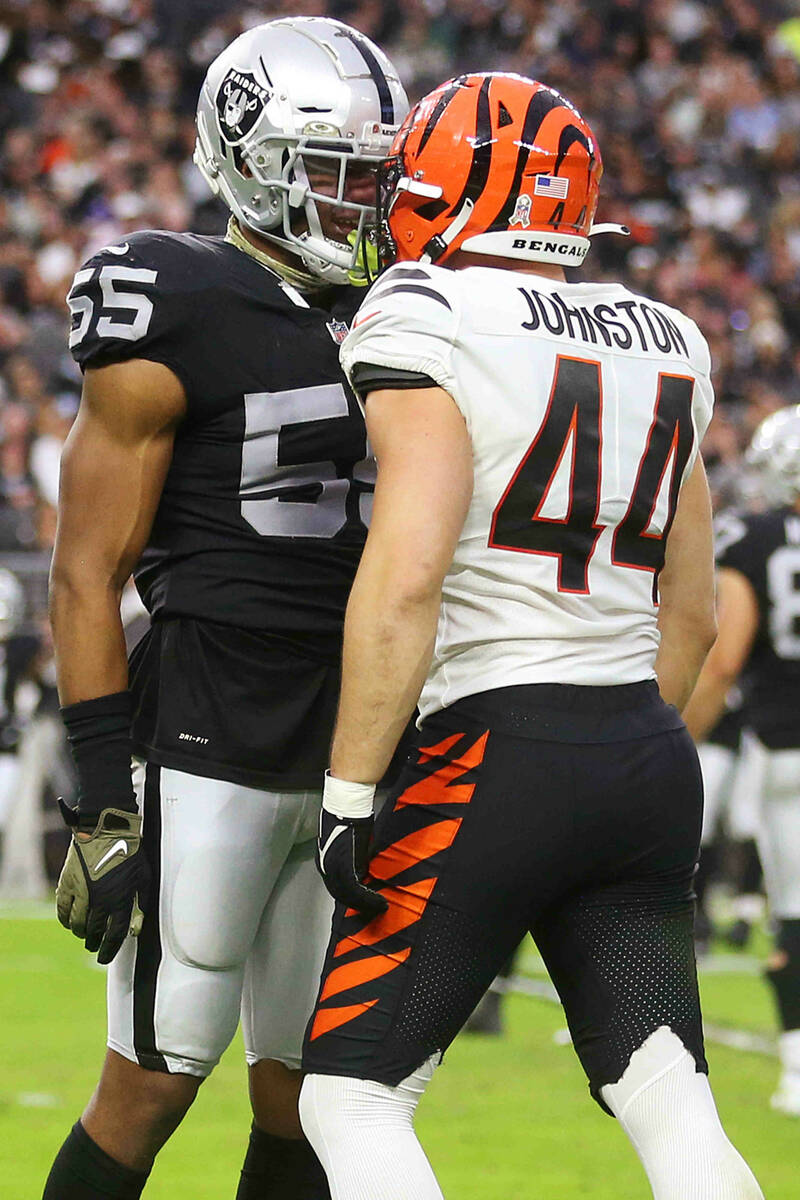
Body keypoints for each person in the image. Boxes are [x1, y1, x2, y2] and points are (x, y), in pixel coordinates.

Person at [297, 72, 764, 1199]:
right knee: (664, 1085)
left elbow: (405, 577)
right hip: (643, 748)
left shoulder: (423, 314)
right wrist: (618, 738)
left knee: (351, 1097)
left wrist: (351, 795)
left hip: (496, 739)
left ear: (448, 186)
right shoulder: (667, 335)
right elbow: (688, 610)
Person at [43, 17, 407, 1200]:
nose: (359, 203)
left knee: (308, 1098)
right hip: (209, 729)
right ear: (250, 159)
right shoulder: (176, 292)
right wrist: (102, 789)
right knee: (151, 1081)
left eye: (373, 176)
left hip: (356, 735)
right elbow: (85, 567)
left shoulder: (410, 307)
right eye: (336, 173)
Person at [684, 405, 800, 1117]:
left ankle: (796, 1066)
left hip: (789, 747)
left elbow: (725, 656)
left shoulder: (755, 537)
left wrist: (682, 736)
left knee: (794, 914)